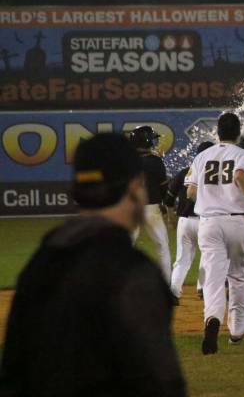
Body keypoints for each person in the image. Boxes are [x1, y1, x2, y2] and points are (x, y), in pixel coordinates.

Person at [0, 133, 186, 397]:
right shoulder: (133, 273)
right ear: (135, 187)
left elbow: (12, 371)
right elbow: (160, 381)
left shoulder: (42, 260)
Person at [185, 113, 244, 355]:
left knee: (213, 278)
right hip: (236, 221)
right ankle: (237, 329)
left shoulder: (202, 156)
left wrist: (209, 193)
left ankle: (212, 318)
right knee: (238, 276)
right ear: (239, 132)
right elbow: (240, 176)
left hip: (209, 223)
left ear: (217, 132)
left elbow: (190, 192)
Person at [164, 141, 214, 305]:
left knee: (182, 259)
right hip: (205, 220)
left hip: (184, 222)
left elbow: (169, 199)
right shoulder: (215, 175)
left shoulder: (184, 172)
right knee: (207, 256)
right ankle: (202, 289)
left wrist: (171, 218)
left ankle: (173, 292)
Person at [130, 125, 172, 283]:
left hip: (130, 209)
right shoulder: (155, 161)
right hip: (151, 208)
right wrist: (165, 205)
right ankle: (166, 287)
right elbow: (164, 187)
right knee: (162, 247)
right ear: (147, 142)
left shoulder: (125, 161)